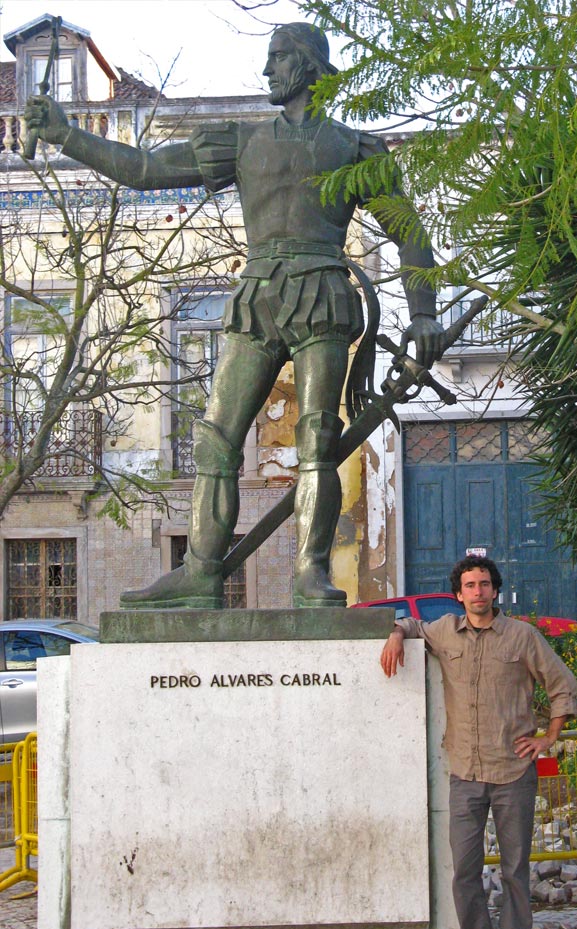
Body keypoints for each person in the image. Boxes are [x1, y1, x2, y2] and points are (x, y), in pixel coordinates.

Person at [25, 23, 444, 609]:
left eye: (276, 59)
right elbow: (145, 169)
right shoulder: (245, 140)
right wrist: (66, 136)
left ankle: (310, 575)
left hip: (323, 292)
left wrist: (423, 313)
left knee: (318, 442)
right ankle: (200, 573)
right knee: (217, 440)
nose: (267, 71)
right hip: (258, 298)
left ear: (305, 66)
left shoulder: (354, 148)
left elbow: (409, 231)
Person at [380, 556, 577, 929]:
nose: (478, 592)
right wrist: (396, 634)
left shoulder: (522, 637)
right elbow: (412, 626)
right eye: (470, 585)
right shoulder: (445, 631)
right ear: (458, 593)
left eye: (484, 584)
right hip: (465, 771)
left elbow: (562, 683)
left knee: (515, 867)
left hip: (513, 770)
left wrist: (548, 738)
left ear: (495, 590)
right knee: (465, 867)